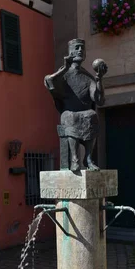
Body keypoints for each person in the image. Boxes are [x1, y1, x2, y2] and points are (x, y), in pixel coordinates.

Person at [44, 39, 108, 171]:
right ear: (70, 51)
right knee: (71, 117)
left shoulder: (88, 76)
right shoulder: (63, 73)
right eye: (77, 47)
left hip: (84, 112)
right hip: (68, 112)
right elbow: (49, 81)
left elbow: (99, 100)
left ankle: (88, 158)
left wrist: (99, 79)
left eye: (82, 48)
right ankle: (75, 158)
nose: (80, 50)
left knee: (92, 115)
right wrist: (65, 68)